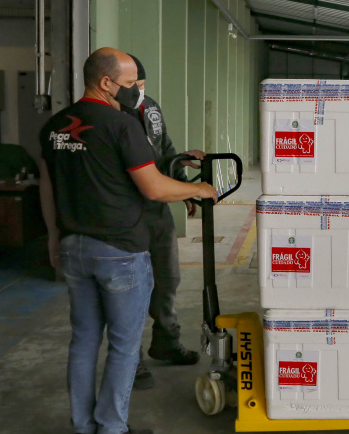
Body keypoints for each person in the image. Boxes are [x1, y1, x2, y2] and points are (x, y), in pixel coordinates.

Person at [39, 48, 218, 434]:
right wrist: (198, 189)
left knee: (84, 341)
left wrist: (54, 236)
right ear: (106, 83)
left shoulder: (54, 125)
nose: (137, 90)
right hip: (119, 251)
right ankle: (113, 427)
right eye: (130, 82)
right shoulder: (122, 125)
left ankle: (84, 425)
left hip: (74, 248)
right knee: (123, 346)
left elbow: (47, 186)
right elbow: (152, 187)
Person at [122, 54, 203, 390]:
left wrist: (183, 184)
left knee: (168, 278)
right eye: (132, 86)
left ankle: (166, 342)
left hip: (157, 212)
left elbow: (163, 147)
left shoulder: (150, 108)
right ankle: (131, 359)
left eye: (142, 86)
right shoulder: (110, 117)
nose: (138, 92)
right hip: (126, 212)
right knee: (130, 290)